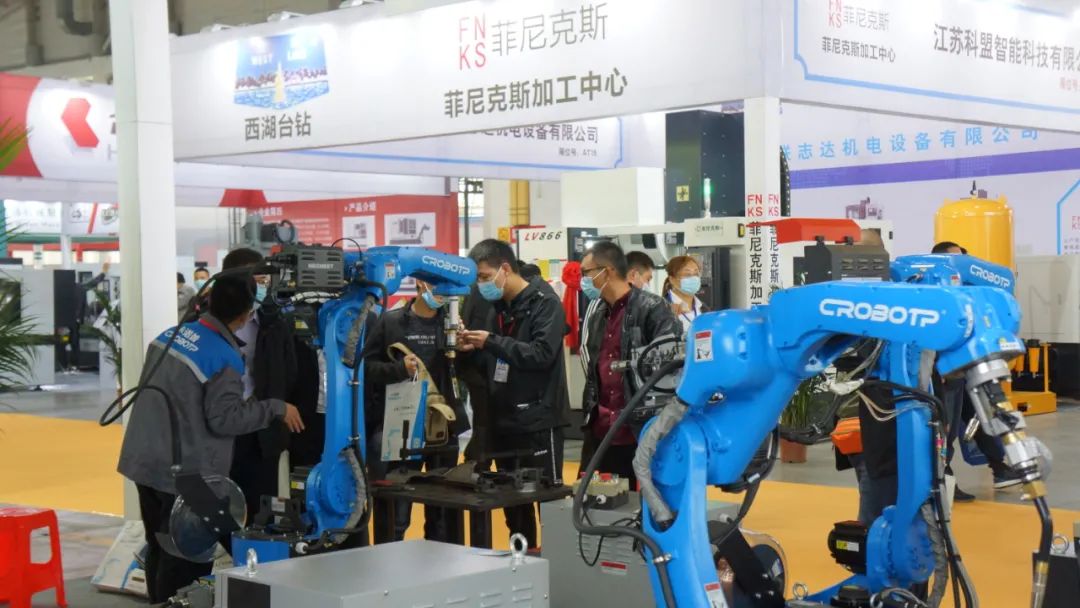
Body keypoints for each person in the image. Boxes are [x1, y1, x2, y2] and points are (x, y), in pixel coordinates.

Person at [116, 274, 304, 603]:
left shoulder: (170, 336)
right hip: (188, 475)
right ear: (245, 315)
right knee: (188, 559)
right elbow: (225, 419)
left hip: (144, 460)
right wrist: (275, 408)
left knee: (160, 547)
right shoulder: (222, 357)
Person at [459, 239, 569, 549]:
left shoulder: (546, 303)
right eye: (477, 279)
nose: (481, 285)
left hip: (538, 421)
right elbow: (495, 358)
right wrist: (473, 348)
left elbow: (541, 354)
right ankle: (522, 559)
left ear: (505, 269)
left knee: (547, 501)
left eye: (484, 276)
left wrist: (491, 342)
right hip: (504, 419)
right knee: (513, 504)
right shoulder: (499, 308)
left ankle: (556, 564)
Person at [363, 279, 469, 543]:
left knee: (443, 514)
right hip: (401, 426)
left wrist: (466, 350)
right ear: (421, 285)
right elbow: (366, 369)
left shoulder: (452, 325)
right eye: (437, 287)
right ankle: (389, 562)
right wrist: (399, 369)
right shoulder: (390, 322)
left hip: (443, 426)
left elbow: (467, 373)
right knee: (396, 515)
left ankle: (441, 561)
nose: (443, 294)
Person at [577, 242, 679, 486]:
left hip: (639, 429)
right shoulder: (598, 314)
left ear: (608, 271)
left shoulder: (653, 308)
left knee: (644, 500)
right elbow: (594, 370)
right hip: (602, 429)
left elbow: (669, 369)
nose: (583, 280)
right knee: (597, 497)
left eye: (586, 273)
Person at [929, 241, 1019, 500]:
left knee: (981, 415)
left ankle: (1000, 468)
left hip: (966, 367)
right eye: (958, 260)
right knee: (946, 428)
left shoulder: (966, 293)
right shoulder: (935, 296)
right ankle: (943, 481)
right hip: (945, 372)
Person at [221, 248, 303, 520]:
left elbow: (289, 372)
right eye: (254, 280)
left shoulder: (274, 323)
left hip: (262, 432)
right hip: (220, 431)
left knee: (261, 512)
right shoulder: (206, 325)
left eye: (263, 280)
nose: (260, 287)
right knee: (221, 511)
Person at [662, 255, 706, 333]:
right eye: (687, 275)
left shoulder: (703, 308)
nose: (693, 278)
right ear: (672, 279)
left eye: (696, 274)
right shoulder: (662, 308)